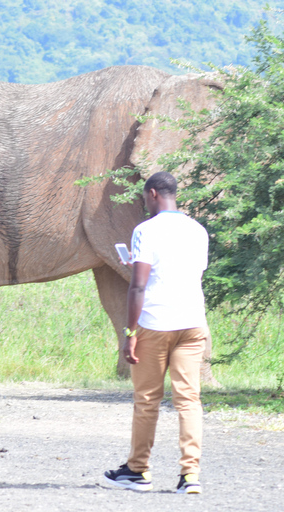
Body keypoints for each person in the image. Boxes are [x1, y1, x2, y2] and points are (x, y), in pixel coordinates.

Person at [103, 171, 209, 494]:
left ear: (151, 194)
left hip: (155, 323)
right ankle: (190, 476)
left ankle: (138, 470)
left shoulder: (144, 231)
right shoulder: (199, 230)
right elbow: (190, 275)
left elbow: (138, 287)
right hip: (192, 324)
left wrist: (129, 332)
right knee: (189, 400)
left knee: (147, 400)